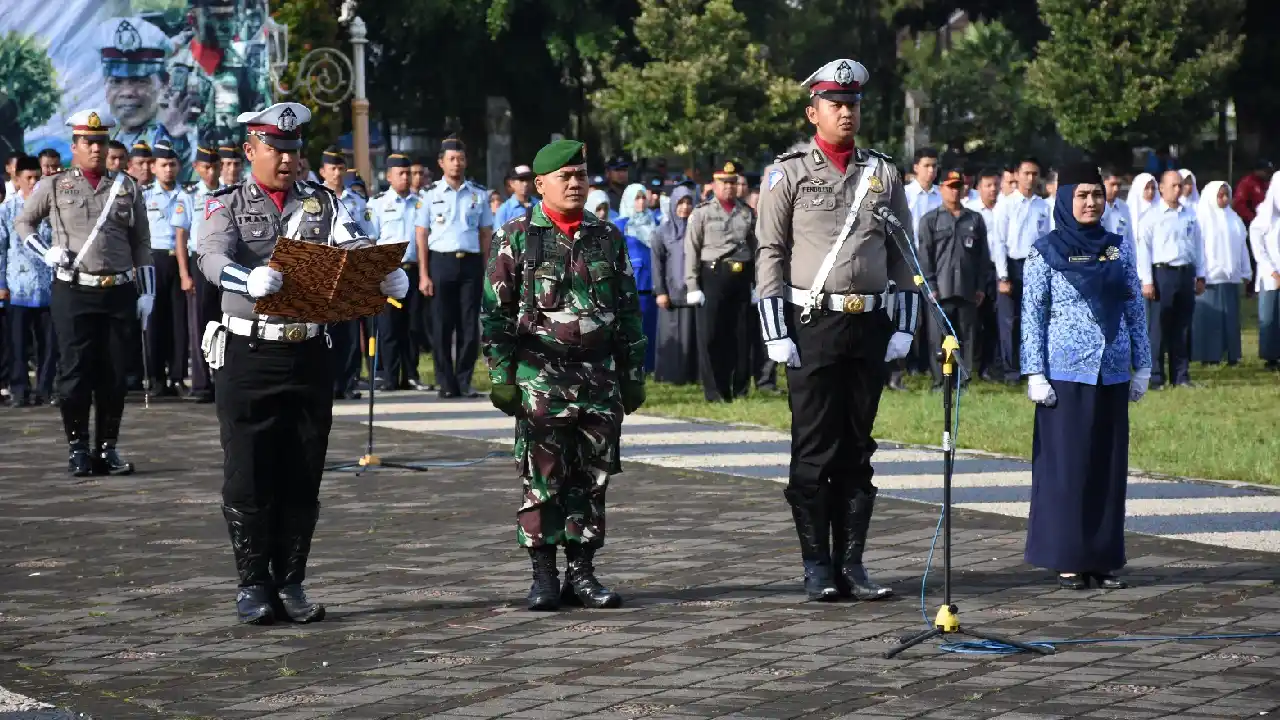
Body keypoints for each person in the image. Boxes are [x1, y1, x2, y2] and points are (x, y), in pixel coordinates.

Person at [196, 102, 407, 625]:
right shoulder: (225, 204)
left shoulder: (324, 202)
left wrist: (380, 274)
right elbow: (211, 258)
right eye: (275, 149)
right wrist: (247, 279)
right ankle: (253, 584)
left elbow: (352, 242)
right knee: (248, 467)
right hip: (250, 350)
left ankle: (291, 581)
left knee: (303, 467)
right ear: (251, 152)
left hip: (310, 350)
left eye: (293, 150)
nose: (287, 159)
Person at [755, 59, 918, 602]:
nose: (846, 112)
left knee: (858, 447)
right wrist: (775, 327)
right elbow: (770, 253)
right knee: (814, 448)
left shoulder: (884, 172)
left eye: (852, 104)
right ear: (813, 112)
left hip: (868, 322)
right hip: (812, 322)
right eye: (835, 104)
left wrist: (906, 324)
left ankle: (853, 564)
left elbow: (903, 252)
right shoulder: (788, 172)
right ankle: (817, 566)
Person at [480, 139, 645, 611]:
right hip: (541, 377)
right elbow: (495, 312)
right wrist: (502, 375)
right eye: (565, 177)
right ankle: (543, 575)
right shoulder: (515, 235)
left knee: (592, 478)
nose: (575, 183)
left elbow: (628, 310)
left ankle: (583, 572)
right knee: (542, 478)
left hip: (597, 377)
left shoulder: (605, 236)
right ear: (540, 185)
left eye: (580, 174)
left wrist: (633, 371)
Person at [1020, 163, 1151, 590]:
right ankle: (1068, 559)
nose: (1092, 202)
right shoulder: (1045, 251)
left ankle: (1101, 559)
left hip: (1111, 373)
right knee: (1068, 470)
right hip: (1064, 376)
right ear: (1064, 199)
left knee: (1106, 468)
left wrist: (1142, 363)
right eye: (1082, 195)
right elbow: (1033, 316)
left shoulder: (1117, 248)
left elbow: (1134, 307)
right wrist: (1035, 372)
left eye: (1097, 194)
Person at [16, 109, 153, 476]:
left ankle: (107, 448)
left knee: (114, 373)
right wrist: (46, 253)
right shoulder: (55, 185)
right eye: (88, 142)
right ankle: (77, 447)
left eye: (101, 142)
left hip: (119, 291)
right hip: (74, 290)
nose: (96, 148)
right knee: (75, 372)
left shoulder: (126, 186)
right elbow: (23, 222)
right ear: (74, 146)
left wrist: (147, 292)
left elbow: (141, 241)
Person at [414, 137, 492, 398]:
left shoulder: (478, 194)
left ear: (465, 161)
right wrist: (424, 273)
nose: (456, 163)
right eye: (451, 159)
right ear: (441, 163)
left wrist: (486, 270)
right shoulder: (429, 195)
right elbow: (421, 235)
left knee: (470, 327)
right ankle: (446, 383)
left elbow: (485, 234)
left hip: (470, 263)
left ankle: (464, 380)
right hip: (441, 261)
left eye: (460, 158)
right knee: (441, 325)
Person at [684, 162, 756, 402]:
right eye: (724, 183)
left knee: (741, 335)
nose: (729, 187)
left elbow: (757, 249)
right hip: (713, 276)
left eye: (733, 183)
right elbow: (692, 250)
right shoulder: (702, 212)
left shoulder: (746, 212)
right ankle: (715, 391)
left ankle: (740, 389)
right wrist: (692, 285)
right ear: (714, 185)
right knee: (712, 336)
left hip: (741, 277)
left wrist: (757, 283)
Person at [917, 169, 991, 390]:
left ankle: (963, 381)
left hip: (967, 289)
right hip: (941, 288)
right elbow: (924, 256)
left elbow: (983, 257)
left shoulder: (975, 219)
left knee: (967, 337)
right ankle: (940, 381)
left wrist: (980, 287)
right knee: (938, 337)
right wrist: (930, 285)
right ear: (942, 189)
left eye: (958, 186)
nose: (955, 191)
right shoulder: (930, 220)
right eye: (950, 186)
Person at [1136, 170, 1206, 389]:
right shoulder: (1151, 216)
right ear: (1162, 188)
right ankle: (1155, 377)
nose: (1178, 190)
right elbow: (1143, 250)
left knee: (1182, 326)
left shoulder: (1190, 215)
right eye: (1173, 185)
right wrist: (1146, 280)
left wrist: (1201, 274)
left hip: (1185, 272)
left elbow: (1198, 246)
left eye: (1180, 185)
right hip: (1162, 273)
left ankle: (1181, 375)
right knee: (1158, 326)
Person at [98, 17, 195, 172]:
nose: (127, 92)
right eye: (116, 81)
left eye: (139, 81)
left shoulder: (177, 136)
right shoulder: (107, 135)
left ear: (163, 84)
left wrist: (178, 142)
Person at [0, 155, 56, 406]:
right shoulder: (7, 209)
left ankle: (45, 388)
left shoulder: (52, 209)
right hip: (17, 286)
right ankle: (20, 388)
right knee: (17, 343)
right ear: (17, 179)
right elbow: (1, 248)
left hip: (48, 286)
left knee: (48, 343)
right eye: (28, 178)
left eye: (37, 177)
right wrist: (1, 283)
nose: (33, 183)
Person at [368, 153, 426, 391]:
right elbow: (372, 240)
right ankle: (390, 376)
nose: (406, 177)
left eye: (408, 173)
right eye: (401, 173)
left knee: (412, 325)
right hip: (388, 271)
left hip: (412, 269)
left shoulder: (420, 203)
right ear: (390, 176)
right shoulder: (377, 204)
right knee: (389, 326)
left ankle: (411, 374)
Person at [173, 146, 227, 403]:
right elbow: (181, 237)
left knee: (226, 321)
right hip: (200, 261)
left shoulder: (229, 193)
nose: (211, 171)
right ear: (196, 167)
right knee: (200, 324)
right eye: (206, 167)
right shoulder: (189, 196)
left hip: (225, 261)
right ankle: (202, 383)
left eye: (215, 166)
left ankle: (224, 378)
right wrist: (185, 273)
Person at [991, 157, 1051, 383]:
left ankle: (1033, 367)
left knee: (1034, 319)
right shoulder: (1006, 204)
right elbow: (999, 241)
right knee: (1010, 320)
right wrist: (1003, 275)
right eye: (1026, 173)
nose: (1030, 178)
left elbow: (1047, 240)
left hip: (1035, 264)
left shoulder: (1043, 206)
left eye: (1035, 174)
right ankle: (1011, 370)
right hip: (1012, 264)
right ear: (1016, 175)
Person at [143, 140, 192, 396]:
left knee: (179, 322)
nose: (169, 170)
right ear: (153, 167)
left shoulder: (187, 195)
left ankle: (177, 375)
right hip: (153, 260)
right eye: (163, 165)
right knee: (154, 321)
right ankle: (155, 376)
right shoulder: (145, 195)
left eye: (173, 164)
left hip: (180, 260)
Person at [318, 147, 366, 400]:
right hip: (325, 269)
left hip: (350, 270)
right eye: (332, 168)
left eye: (340, 168)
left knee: (349, 332)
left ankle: (348, 382)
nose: (336, 173)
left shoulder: (357, 202)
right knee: (326, 330)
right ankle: (328, 382)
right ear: (322, 171)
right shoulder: (313, 199)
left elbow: (367, 235)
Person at [1191, 182, 1251, 366]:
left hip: (1231, 277)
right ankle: (1209, 356)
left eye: (1227, 195)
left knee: (1230, 319)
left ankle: (1232, 354)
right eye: (1220, 196)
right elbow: (1197, 249)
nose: (1224, 199)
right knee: (1210, 319)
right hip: (1209, 278)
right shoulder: (1201, 219)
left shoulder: (1235, 219)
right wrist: (1198, 274)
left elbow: (1242, 247)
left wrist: (1246, 271)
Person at [651, 185, 699, 384]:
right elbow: (657, 264)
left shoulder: (697, 229)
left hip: (692, 292)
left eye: (688, 203)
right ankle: (668, 376)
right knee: (670, 335)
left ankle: (691, 376)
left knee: (691, 335)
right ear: (673, 205)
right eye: (680, 203)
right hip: (670, 293)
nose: (685, 207)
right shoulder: (661, 232)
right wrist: (660, 291)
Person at [617, 183, 658, 373]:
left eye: (643, 197)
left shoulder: (654, 222)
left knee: (651, 329)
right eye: (637, 198)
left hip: (652, 285)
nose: (641, 202)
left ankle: (650, 367)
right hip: (630, 286)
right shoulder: (620, 225)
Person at [1249, 172, 1280, 369]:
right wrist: (1273, 272)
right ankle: (1271, 357)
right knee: (1270, 316)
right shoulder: (1263, 219)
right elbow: (1259, 250)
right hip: (1271, 276)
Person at [1100, 167, 1134, 245]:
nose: (1116, 189)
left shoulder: (1124, 207)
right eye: (1112, 184)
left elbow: (1129, 237)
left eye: (1119, 185)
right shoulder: (1093, 207)